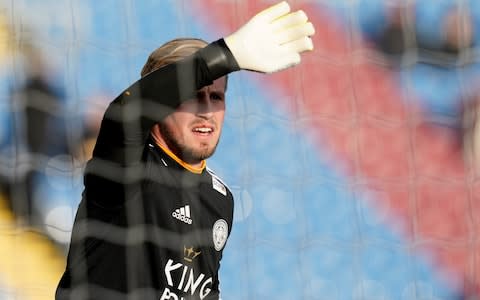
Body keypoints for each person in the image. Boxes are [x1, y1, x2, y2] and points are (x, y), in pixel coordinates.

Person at [55, 1, 315, 299]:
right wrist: (226, 55)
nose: (207, 111)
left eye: (216, 97)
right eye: (193, 96)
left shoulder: (220, 199)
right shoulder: (129, 169)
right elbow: (127, 113)